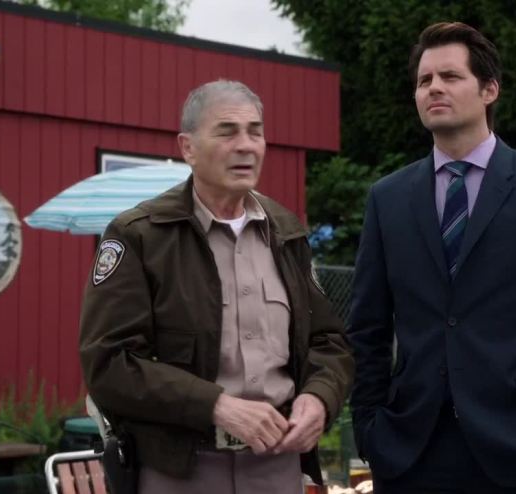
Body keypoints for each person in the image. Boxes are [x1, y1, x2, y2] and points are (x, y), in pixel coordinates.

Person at [348, 22, 516, 493]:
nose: (434, 88)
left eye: (450, 76)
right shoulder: (387, 198)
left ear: (490, 90)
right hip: (410, 450)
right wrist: (369, 426)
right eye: (424, 80)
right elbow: (367, 327)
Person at [79, 79, 353, 494]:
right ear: (188, 148)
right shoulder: (141, 236)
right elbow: (109, 362)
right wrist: (216, 406)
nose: (246, 145)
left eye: (255, 132)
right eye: (227, 132)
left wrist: (319, 397)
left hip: (278, 469)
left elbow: (329, 341)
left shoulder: (286, 233)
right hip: (181, 472)